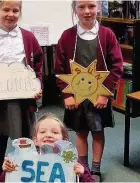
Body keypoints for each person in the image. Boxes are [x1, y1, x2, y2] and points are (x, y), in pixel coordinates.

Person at [54, 0, 123, 182]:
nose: (86, 11)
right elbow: (59, 69)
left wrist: (105, 92)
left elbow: (116, 66)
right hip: (76, 97)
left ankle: (96, 170)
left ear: (98, 7)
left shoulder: (107, 35)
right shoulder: (67, 37)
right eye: (81, 7)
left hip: (99, 97)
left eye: (91, 6)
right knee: (81, 132)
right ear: (74, 9)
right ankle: (83, 169)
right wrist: (67, 95)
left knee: (98, 132)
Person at [0, 0, 43, 181]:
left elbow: (38, 64)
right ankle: (0, 172)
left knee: (27, 134)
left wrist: (37, 86)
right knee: (2, 135)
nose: (11, 14)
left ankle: (29, 170)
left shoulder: (28, 38)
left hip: (24, 96)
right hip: (1, 99)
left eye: (15, 10)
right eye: (6, 9)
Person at [0, 113, 95, 182]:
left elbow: (90, 181)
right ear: (35, 140)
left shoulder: (70, 160)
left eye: (55, 132)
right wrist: (7, 172)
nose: (48, 135)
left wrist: (82, 175)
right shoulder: (25, 160)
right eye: (42, 132)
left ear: (64, 139)